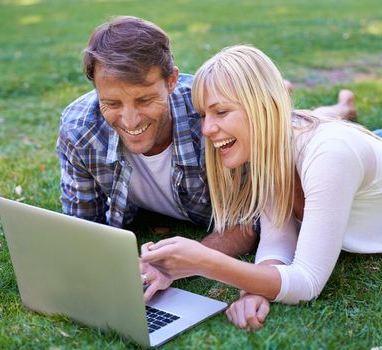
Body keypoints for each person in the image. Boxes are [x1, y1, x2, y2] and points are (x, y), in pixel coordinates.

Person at [140, 45, 382, 330]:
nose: (207, 129)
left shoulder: (329, 155)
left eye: (220, 112)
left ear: (262, 107)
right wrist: (255, 287)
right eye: (203, 115)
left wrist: (206, 262)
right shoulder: (267, 151)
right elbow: (278, 238)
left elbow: (307, 282)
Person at [56, 17, 258, 301]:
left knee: (302, 123)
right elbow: (83, 226)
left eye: (144, 100)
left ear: (172, 80)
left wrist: (178, 264)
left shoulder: (210, 120)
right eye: (112, 103)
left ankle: (334, 107)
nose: (130, 120)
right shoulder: (80, 128)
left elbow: (248, 222)